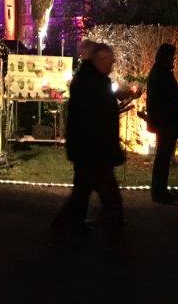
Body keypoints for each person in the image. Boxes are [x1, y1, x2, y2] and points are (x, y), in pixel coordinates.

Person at [51, 43, 125, 248]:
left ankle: (66, 226)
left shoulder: (91, 81)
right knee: (111, 199)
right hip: (94, 150)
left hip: (87, 149)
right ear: (99, 60)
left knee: (81, 193)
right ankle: (117, 240)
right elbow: (93, 119)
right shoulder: (93, 83)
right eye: (109, 60)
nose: (112, 63)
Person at [146, 43, 178, 204]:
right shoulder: (161, 74)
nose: (174, 60)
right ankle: (159, 192)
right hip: (166, 123)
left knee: (163, 157)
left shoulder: (160, 72)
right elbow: (165, 100)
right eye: (172, 57)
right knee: (163, 158)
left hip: (165, 122)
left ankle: (160, 190)